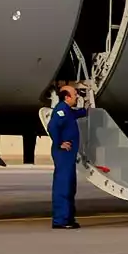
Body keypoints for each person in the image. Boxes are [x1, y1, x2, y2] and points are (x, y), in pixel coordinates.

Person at [48, 83, 84, 229]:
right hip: (63, 154)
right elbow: (52, 127)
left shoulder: (68, 110)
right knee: (63, 186)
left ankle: (68, 217)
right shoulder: (61, 110)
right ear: (67, 97)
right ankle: (60, 220)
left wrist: (87, 110)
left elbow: (78, 114)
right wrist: (59, 142)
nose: (77, 96)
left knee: (70, 186)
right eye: (75, 94)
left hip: (69, 156)